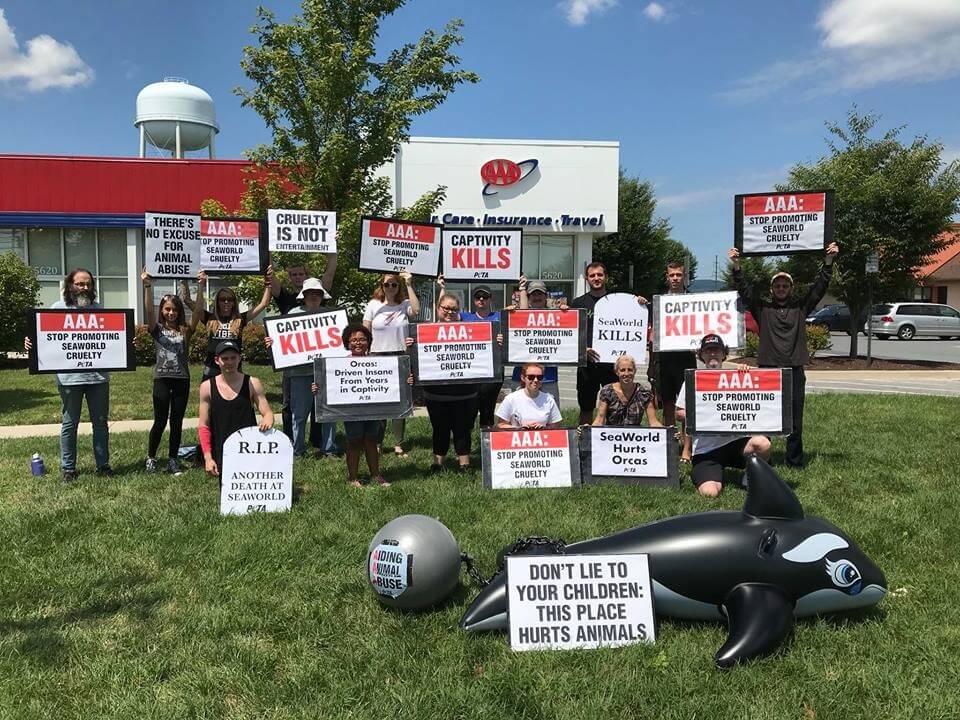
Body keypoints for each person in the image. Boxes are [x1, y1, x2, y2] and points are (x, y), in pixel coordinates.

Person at [729, 242, 839, 468]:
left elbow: (819, 288)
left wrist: (828, 261)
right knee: (764, 418)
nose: (781, 289)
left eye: (784, 285)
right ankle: (763, 456)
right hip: (768, 370)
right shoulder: (763, 310)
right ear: (772, 289)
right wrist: (737, 266)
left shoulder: (800, 308)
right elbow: (745, 291)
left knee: (795, 420)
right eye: (777, 285)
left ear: (791, 288)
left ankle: (795, 460)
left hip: (794, 370)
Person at [24, 268, 113, 482]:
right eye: (79, 284)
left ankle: (103, 466)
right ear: (69, 285)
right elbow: (44, 338)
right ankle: (68, 469)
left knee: (100, 423)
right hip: (69, 379)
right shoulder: (57, 309)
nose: (84, 288)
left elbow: (113, 339)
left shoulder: (100, 309)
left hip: (98, 378)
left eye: (88, 284)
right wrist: (31, 343)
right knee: (69, 424)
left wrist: (127, 344)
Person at [313, 323, 411, 488]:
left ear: (368, 342)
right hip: (350, 411)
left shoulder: (378, 363)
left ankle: (376, 475)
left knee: (371, 441)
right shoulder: (338, 365)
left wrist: (406, 380)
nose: (358, 343)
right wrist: (317, 387)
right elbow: (328, 385)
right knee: (354, 442)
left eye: (362, 339)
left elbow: (393, 381)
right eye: (354, 340)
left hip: (373, 409)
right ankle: (353, 479)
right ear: (347, 343)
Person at [675, 334, 771, 498]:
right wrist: (704, 415)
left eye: (716, 350)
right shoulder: (693, 380)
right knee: (710, 493)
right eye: (708, 351)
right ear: (701, 355)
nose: (712, 354)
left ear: (724, 354)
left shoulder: (738, 377)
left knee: (762, 443)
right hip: (707, 449)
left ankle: (749, 476)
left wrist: (746, 374)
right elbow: (679, 413)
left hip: (736, 442)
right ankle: (704, 473)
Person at [264, 277, 339, 457]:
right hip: (298, 372)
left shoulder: (332, 316)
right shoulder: (292, 314)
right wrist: (272, 344)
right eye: (310, 293)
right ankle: (298, 449)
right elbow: (282, 340)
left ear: (322, 296)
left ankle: (329, 448)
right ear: (303, 296)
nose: (314, 296)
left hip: (325, 372)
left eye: (317, 293)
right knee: (299, 413)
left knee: (329, 412)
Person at [141, 267, 205, 474]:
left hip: (181, 380)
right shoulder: (156, 329)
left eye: (174, 310)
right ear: (162, 310)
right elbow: (149, 311)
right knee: (160, 421)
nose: (171, 313)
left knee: (176, 422)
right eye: (167, 309)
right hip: (161, 379)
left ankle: (172, 459)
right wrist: (148, 286)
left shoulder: (186, 330)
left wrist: (201, 285)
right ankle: (151, 458)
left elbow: (197, 312)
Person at [570, 262, 647, 425]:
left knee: (614, 406)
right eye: (592, 275)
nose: (596, 278)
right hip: (587, 364)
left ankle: (609, 441)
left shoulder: (618, 300)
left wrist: (639, 304)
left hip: (611, 364)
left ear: (606, 277)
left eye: (599, 275)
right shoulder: (577, 303)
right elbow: (570, 333)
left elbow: (636, 318)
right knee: (586, 407)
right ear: (586, 279)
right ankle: (584, 442)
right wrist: (582, 348)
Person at [410, 293, 479, 473]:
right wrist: (411, 344)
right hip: (436, 393)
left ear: (459, 311)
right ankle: (437, 464)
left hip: (465, 392)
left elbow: (486, 351)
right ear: (438, 309)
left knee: (463, 429)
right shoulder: (424, 331)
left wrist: (497, 342)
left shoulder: (472, 331)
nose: (449, 312)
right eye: (446, 308)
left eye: (454, 309)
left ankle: (464, 464)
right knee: (439, 429)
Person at [363, 269, 420, 456]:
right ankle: (377, 442)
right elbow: (365, 329)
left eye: (394, 284)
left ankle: (398, 443)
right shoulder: (372, 305)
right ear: (381, 286)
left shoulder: (404, 305)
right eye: (387, 284)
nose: (390, 287)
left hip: (400, 356)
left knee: (400, 402)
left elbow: (417, 310)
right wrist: (363, 353)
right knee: (380, 403)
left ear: (399, 286)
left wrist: (409, 283)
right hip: (377, 356)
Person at [198, 340, 273, 477]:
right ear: (217, 360)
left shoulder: (252, 383)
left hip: (249, 449)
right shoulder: (207, 387)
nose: (230, 362)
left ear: (239, 359)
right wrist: (208, 458)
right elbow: (204, 426)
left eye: (233, 358)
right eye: (225, 358)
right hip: (222, 450)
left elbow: (267, 412)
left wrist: (267, 420)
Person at [651, 261, 696, 461]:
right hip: (664, 358)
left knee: (687, 407)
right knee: (667, 403)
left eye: (679, 275)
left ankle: (687, 450)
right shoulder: (658, 301)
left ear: (684, 277)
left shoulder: (694, 301)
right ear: (666, 277)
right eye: (672, 275)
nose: (675, 278)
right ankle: (670, 446)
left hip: (686, 358)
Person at [199, 269, 273, 379]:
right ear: (217, 302)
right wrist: (201, 285)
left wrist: (268, 283)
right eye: (222, 299)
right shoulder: (209, 318)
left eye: (230, 299)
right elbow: (194, 306)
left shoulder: (240, 319)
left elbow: (263, 304)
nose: (226, 302)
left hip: (234, 368)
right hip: (212, 368)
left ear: (234, 302)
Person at [452, 279, 503, 429]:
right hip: (471, 371)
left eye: (485, 297)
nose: (481, 299)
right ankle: (465, 443)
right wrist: (442, 288)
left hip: (493, 371)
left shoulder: (499, 316)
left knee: (488, 411)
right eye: (478, 297)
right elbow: (445, 316)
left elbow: (521, 317)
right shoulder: (465, 317)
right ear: (474, 300)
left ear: (490, 299)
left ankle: (486, 444)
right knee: (469, 410)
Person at [511, 275, 561, 403]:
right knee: (518, 414)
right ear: (528, 297)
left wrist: (566, 312)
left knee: (550, 417)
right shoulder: (517, 315)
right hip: (521, 375)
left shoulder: (557, 316)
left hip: (548, 377)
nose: (537, 297)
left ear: (546, 296)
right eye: (533, 294)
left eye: (540, 294)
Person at [592, 354, 661, 427]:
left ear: (635, 371)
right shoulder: (607, 391)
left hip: (636, 435)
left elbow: (653, 422)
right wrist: (586, 430)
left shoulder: (644, 393)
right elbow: (599, 420)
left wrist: (668, 432)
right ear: (616, 372)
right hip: (612, 435)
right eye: (622, 370)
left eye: (630, 370)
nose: (626, 373)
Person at [496, 362, 562, 429]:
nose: (535, 380)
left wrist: (543, 428)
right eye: (531, 377)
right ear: (523, 378)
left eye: (539, 377)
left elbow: (556, 426)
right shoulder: (511, 399)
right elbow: (501, 425)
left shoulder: (549, 400)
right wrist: (519, 429)